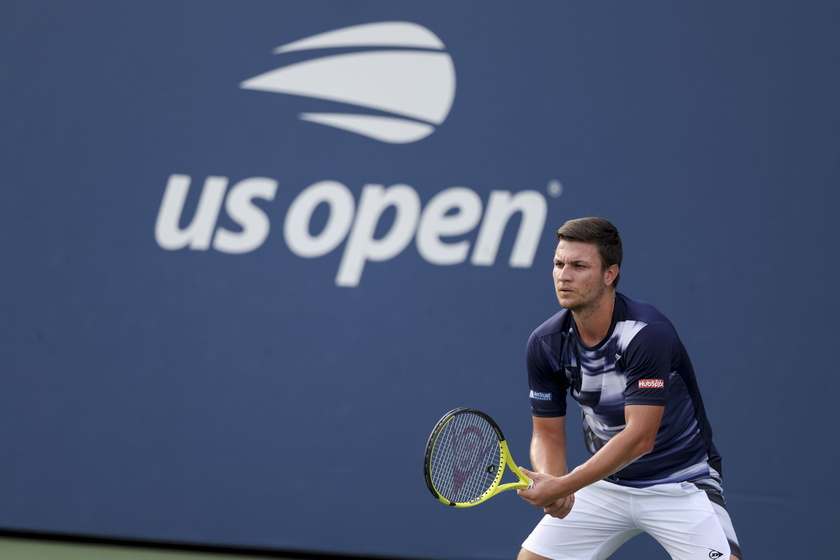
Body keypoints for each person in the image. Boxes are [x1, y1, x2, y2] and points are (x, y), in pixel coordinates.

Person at [516, 217, 741, 560]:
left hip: (681, 483)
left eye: (579, 266)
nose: (564, 275)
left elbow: (640, 437)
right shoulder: (546, 343)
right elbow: (547, 434)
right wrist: (552, 483)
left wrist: (565, 484)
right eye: (559, 264)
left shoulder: (645, 333)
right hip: (607, 484)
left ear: (610, 274)